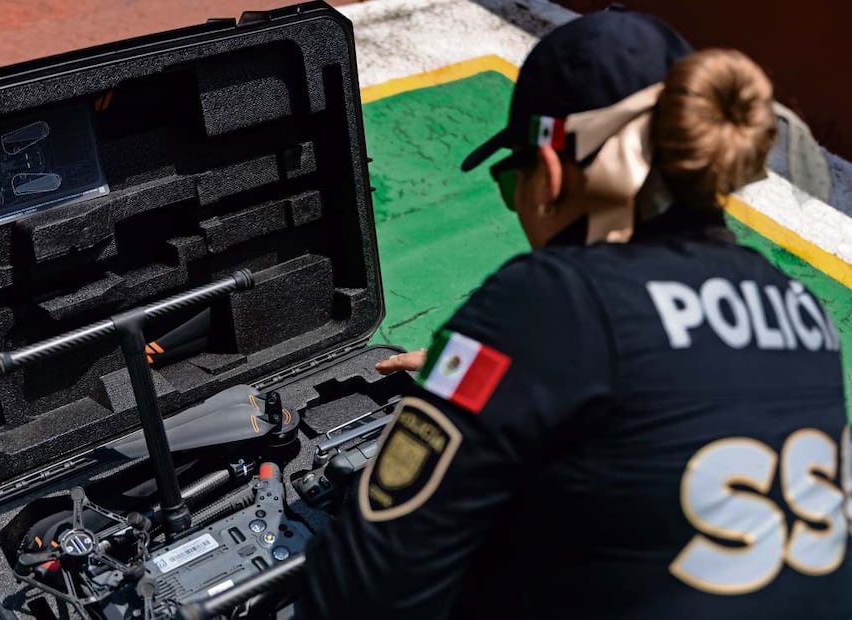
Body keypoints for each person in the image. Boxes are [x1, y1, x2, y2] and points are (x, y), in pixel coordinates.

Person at [298, 9, 852, 620]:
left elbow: (361, 588)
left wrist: (494, 355)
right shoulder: (798, 306)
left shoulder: (549, 304)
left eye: (512, 182)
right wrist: (510, 374)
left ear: (551, 172)